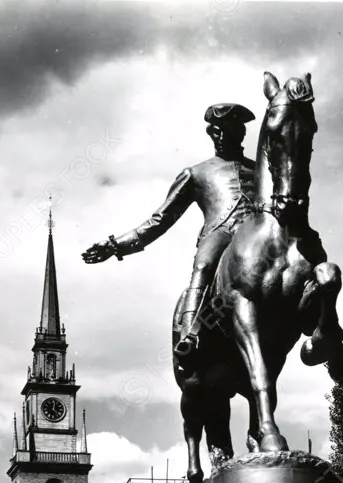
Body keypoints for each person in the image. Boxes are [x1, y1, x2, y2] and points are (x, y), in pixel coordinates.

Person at [81, 103, 257, 363]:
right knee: (204, 266)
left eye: (227, 130)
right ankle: (190, 336)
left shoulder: (259, 170)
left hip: (256, 236)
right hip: (220, 233)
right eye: (216, 131)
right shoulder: (195, 174)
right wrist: (115, 246)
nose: (220, 136)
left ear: (240, 133)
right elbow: (159, 220)